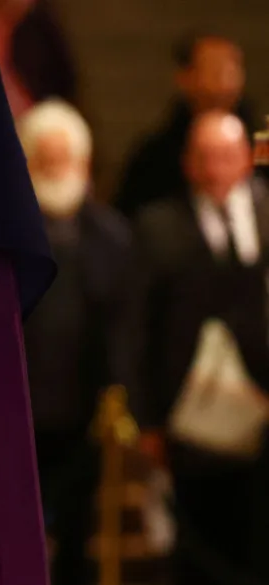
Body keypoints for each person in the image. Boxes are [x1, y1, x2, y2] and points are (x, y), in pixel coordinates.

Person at [130, 111, 269, 585]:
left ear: (247, 160)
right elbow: (138, 329)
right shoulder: (157, 226)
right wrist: (147, 418)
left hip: (263, 410)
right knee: (198, 548)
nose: (215, 171)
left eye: (226, 157)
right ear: (188, 164)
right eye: (204, 158)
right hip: (190, 419)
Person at [16, 99, 134, 585]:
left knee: (78, 534)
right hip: (17, 409)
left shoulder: (112, 237)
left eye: (62, 158)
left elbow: (124, 325)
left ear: (83, 163)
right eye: (43, 158)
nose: (54, 168)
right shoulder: (7, 236)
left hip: (83, 416)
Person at [114, 32, 256, 219]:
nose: (226, 82)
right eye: (215, 69)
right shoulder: (155, 158)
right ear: (184, 78)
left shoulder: (260, 142)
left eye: (233, 69)